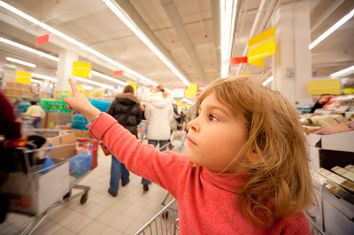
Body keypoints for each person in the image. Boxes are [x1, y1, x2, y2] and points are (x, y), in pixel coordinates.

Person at [64, 77, 313, 234]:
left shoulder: (283, 213)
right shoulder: (186, 174)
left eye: (213, 116)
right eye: (199, 113)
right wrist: (89, 111)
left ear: (257, 149)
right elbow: (136, 152)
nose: (192, 123)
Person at [106, 85, 142, 197]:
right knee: (126, 158)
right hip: (130, 135)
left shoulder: (116, 101)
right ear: (132, 92)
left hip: (116, 134)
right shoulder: (136, 104)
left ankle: (113, 189)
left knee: (116, 160)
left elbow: (108, 116)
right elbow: (139, 119)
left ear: (124, 91)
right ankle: (125, 180)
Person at [143, 84, 173, 191]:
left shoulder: (150, 102)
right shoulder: (169, 103)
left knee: (148, 156)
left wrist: (153, 121)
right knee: (163, 157)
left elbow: (147, 116)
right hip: (165, 131)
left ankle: (146, 181)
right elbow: (171, 118)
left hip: (152, 131)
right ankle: (162, 179)